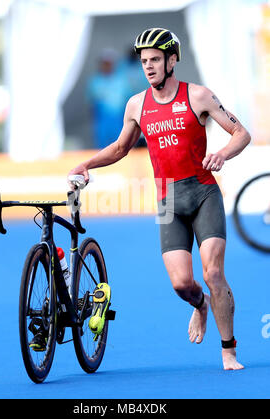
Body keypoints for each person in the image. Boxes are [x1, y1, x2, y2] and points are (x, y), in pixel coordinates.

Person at [68, 28, 251, 370]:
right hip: (168, 200)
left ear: (171, 60)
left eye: (154, 60)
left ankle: (228, 350)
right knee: (183, 284)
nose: (148, 67)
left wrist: (223, 153)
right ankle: (201, 306)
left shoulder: (198, 96)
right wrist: (87, 163)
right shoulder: (137, 105)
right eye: (143, 62)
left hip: (203, 192)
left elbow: (242, 133)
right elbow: (121, 147)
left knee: (213, 273)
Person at [87, 48, 130, 148]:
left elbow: (128, 102)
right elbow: (92, 104)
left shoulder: (122, 81)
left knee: (120, 146)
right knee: (102, 148)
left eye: (109, 63)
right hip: (102, 121)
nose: (106, 66)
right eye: (104, 63)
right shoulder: (95, 81)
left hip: (119, 120)